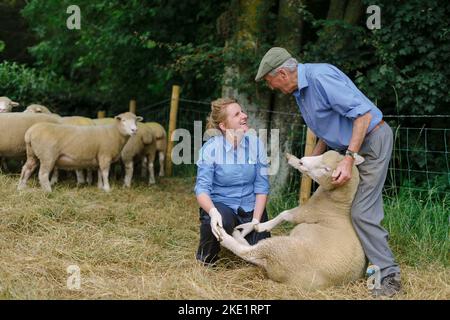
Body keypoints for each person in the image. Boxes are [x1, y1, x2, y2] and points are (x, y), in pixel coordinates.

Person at [254, 47, 401, 297]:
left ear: (282, 73)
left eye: (271, 82)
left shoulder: (320, 78)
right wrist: (311, 161)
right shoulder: (301, 92)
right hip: (347, 148)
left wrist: (349, 159)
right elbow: (325, 129)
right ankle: (356, 260)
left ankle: (389, 275)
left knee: (363, 211)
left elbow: (363, 116)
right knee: (340, 208)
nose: (272, 87)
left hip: (371, 141)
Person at [194, 98, 271, 266]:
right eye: (237, 114)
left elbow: (262, 187)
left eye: (242, 111)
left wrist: (256, 221)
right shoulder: (210, 150)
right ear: (223, 125)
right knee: (220, 220)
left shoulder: (257, 145)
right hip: (222, 205)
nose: (244, 116)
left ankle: (246, 235)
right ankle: (206, 259)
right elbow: (202, 189)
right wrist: (213, 212)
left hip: (251, 208)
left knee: (263, 260)